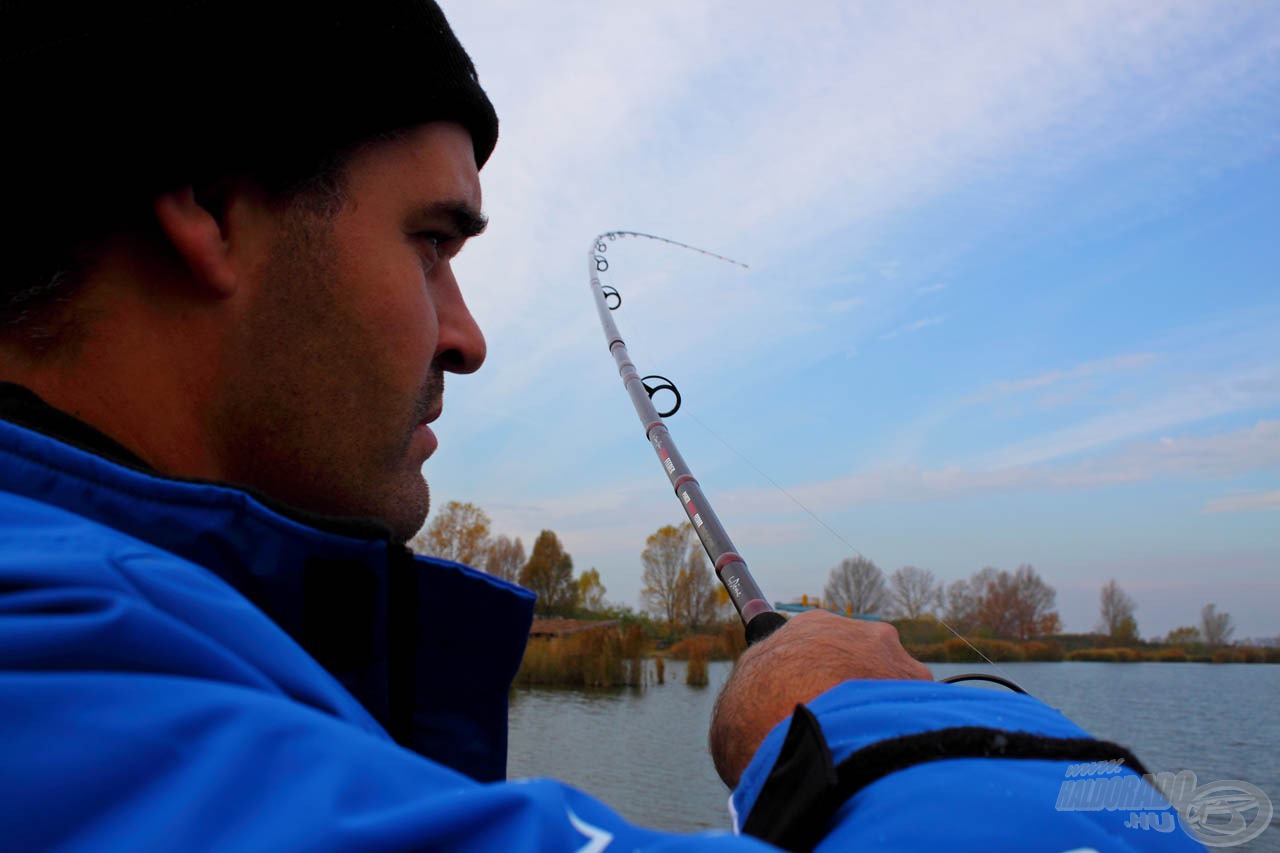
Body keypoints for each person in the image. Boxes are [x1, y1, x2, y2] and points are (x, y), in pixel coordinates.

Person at [0, 1, 1202, 850]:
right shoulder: (53, 683)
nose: (464, 336)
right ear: (210, 203)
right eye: (431, 244)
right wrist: (860, 721)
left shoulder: (145, 679)